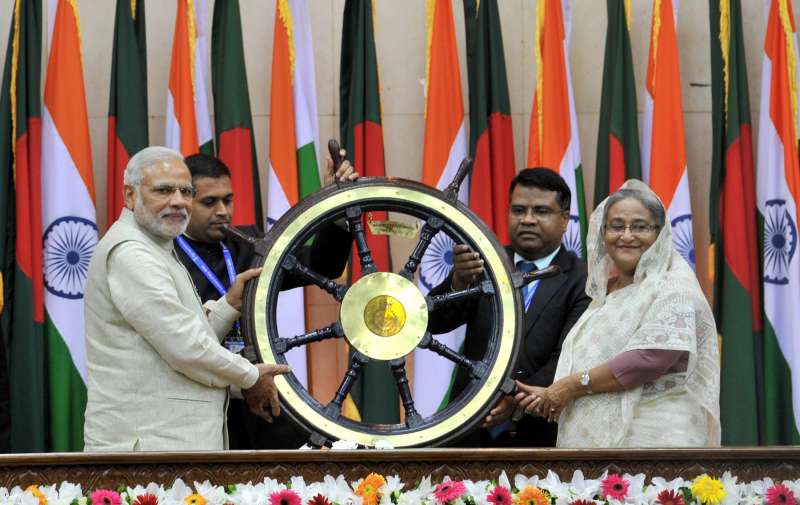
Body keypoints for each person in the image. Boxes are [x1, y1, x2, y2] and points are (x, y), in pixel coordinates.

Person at [83, 146, 289, 451]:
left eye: (185, 191)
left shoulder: (154, 245)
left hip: (165, 447)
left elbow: (179, 332)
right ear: (129, 196)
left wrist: (227, 306)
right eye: (163, 190)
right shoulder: (132, 253)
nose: (178, 201)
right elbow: (185, 345)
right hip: (150, 450)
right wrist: (249, 375)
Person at [514, 179, 721, 447]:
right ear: (602, 234)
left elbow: (649, 357)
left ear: (660, 234)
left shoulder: (674, 286)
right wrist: (550, 393)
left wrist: (570, 387)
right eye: (616, 226)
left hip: (655, 447)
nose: (626, 236)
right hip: (600, 451)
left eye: (639, 227)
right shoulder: (605, 294)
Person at [176, 152, 356, 449]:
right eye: (209, 202)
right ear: (185, 202)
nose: (222, 211)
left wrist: (334, 209)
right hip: (196, 402)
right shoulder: (167, 256)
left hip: (257, 397)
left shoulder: (249, 243)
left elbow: (322, 266)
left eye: (228, 200)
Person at [428, 167, 591, 447]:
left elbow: (567, 358)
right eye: (518, 210)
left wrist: (512, 398)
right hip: (469, 426)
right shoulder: (483, 263)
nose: (527, 220)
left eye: (541, 211)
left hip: (542, 434)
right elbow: (435, 323)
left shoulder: (583, 278)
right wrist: (459, 280)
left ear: (565, 219)